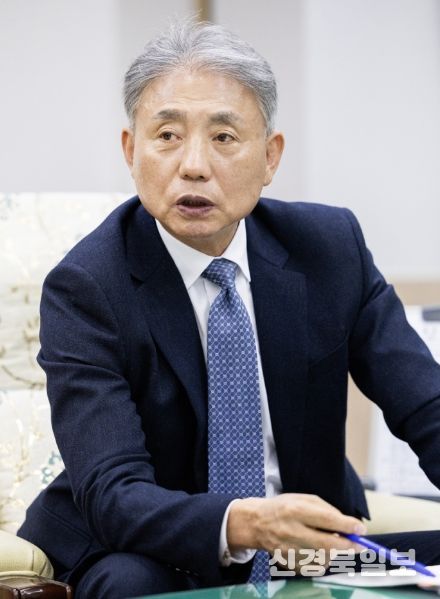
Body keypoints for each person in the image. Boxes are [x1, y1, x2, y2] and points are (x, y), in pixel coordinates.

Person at [18, 18, 440, 599]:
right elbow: (113, 493)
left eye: (223, 137)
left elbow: (426, 406)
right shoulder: (88, 287)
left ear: (270, 157)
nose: (193, 164)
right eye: (167, 135)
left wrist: (283, 535)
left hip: (309, 555)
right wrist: (244, 524)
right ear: (131, 151)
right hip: (153, 550)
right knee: (126, 585)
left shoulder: (329, 249)